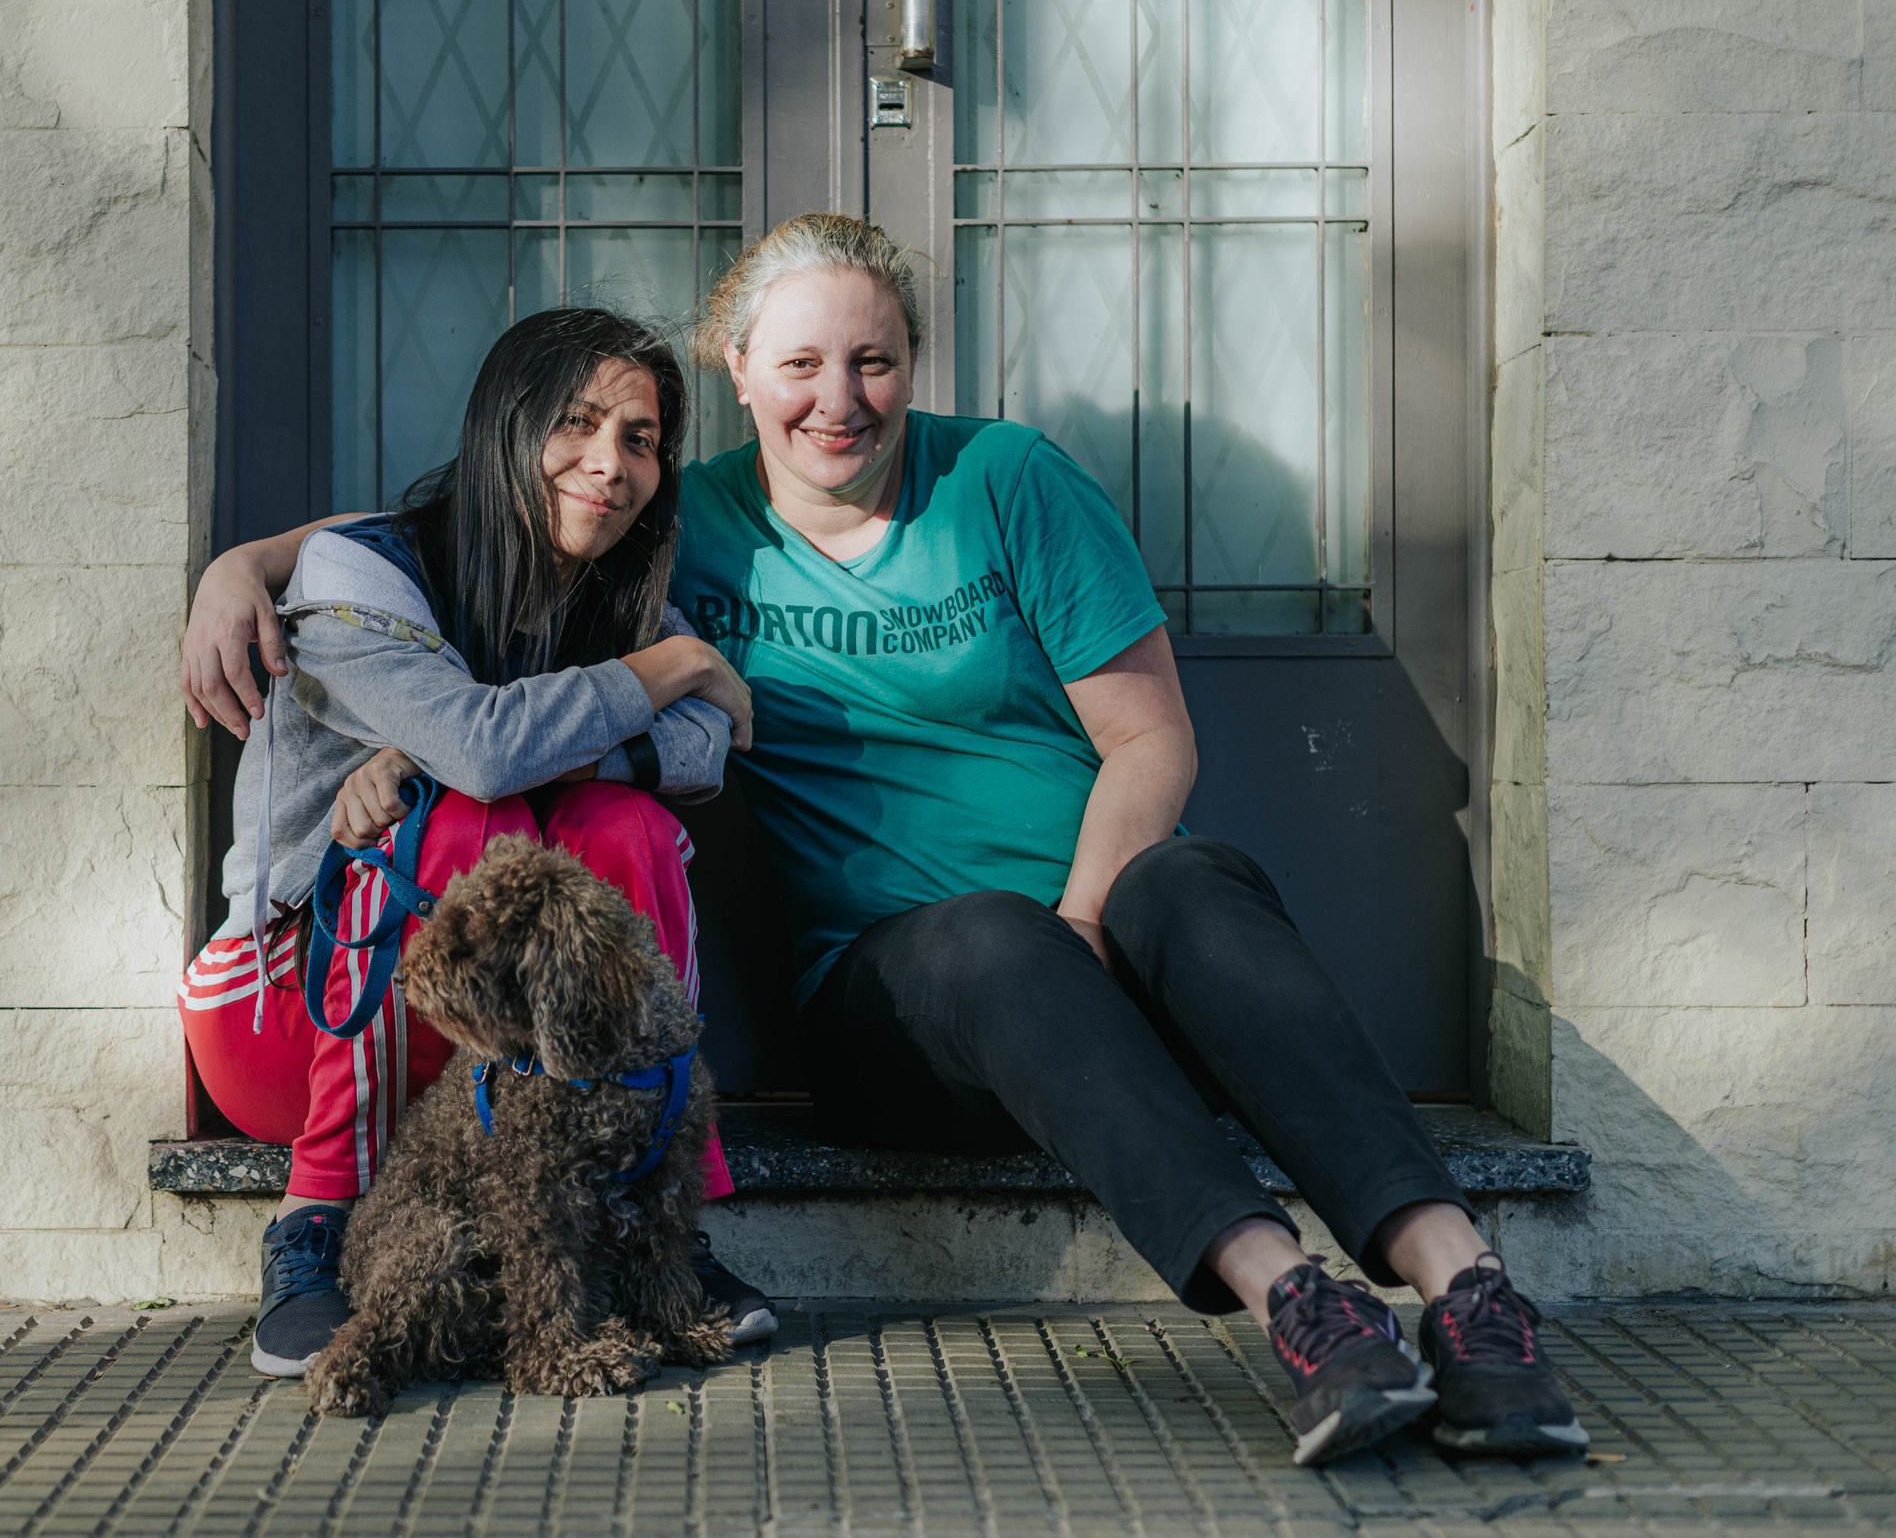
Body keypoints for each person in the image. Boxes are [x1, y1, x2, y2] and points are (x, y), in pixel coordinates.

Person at [191, 217, 1593, 1464]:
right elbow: (474, 512)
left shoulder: (1007, 478)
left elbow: (1152, 742)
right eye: (801, 364)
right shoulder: (688, 520)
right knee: (991, 938)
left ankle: (1471, 1290)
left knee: (1194, 883)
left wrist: (1085, 929)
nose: (839, 398)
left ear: (913, 364)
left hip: (1090, 951)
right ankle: (1302, 1302)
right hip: (903, 1002)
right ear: (741, 372)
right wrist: (247, 566)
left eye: (874, 361)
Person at [180, 306, 779, 1380]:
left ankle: (661, 1219)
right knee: (460, 816)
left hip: (491, 1049)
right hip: (285, 1011)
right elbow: (486, 747)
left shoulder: (617, 589)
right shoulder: (363, 569)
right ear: (506, 424)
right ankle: (315, 1218)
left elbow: (701, 751)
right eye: (576, 422)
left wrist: (531, 752)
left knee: (624, 824)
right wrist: (676, 666)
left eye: (640, 438)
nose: (611, 463)